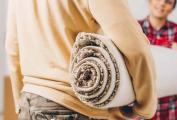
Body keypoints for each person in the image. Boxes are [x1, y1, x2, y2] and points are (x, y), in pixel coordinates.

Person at [5, 0, 157, 119]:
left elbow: (12, 48)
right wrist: (145, 106)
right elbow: (135, 48)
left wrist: (21, 100)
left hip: (29, 103)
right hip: (74, 107)